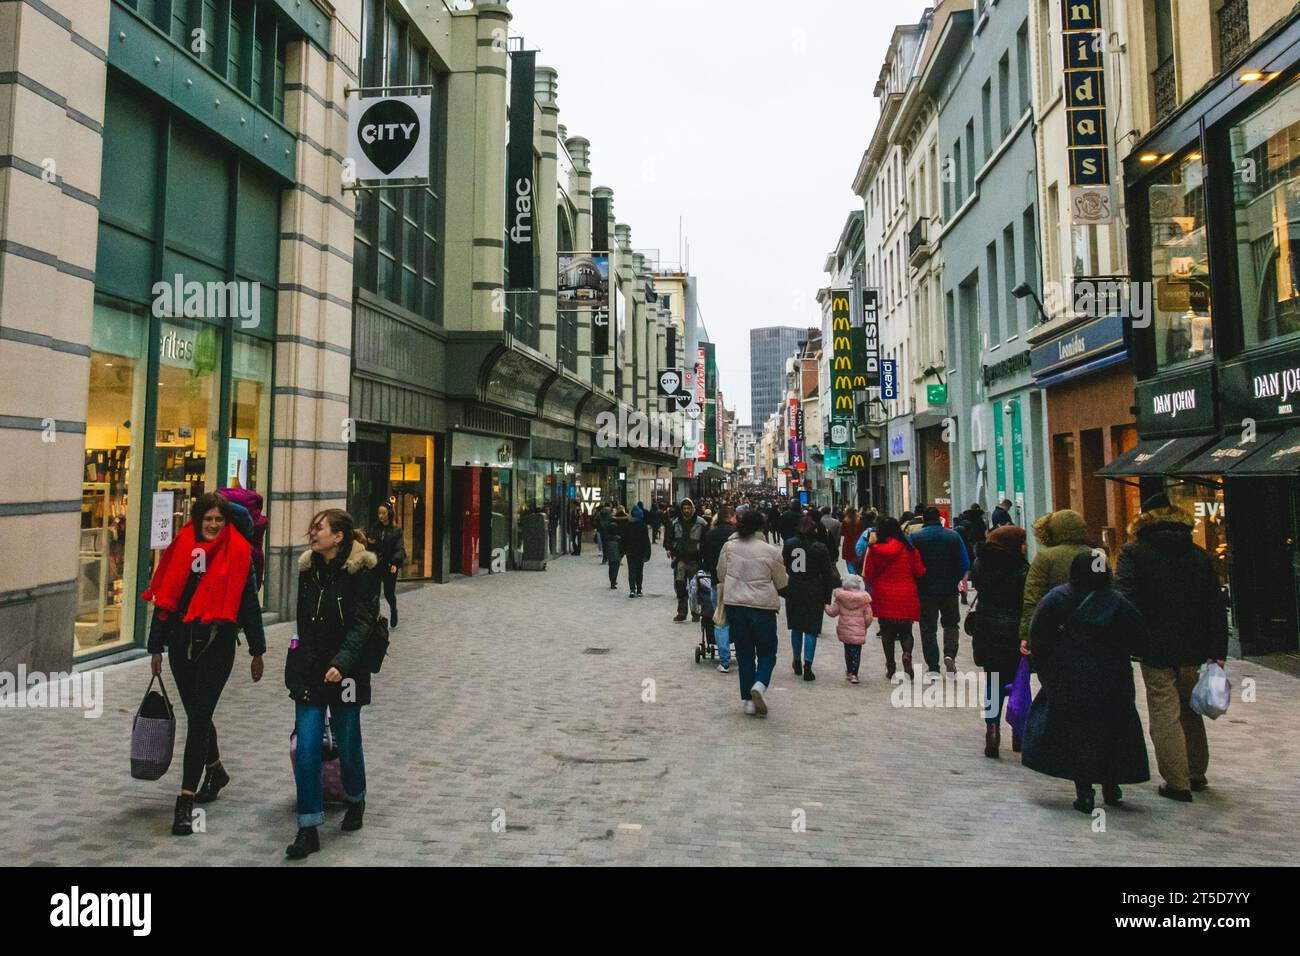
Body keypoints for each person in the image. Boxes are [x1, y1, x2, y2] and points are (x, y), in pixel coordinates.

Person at [144, 491, 266, 837]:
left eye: (219, 520)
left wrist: (258, 651)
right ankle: (215, 769)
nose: (212, 525)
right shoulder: (182, 548)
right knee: (199, 713)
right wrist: (156, 647)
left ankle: (184, 802)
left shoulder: (238, 554)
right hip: (181, 644)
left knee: (198, 719)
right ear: (197, 520)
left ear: (227, 523)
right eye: (207, 519)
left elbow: (248, 605)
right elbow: (165, 599)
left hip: (218, 644)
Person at [1114, 493, 1229, 802]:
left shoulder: (1134, 553)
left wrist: (1132, 638)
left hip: (1155, 646)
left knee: (1165, 710)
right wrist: (1218, 649)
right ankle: (1195, 771)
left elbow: (1125, 597)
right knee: (1191, 709)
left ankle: (1177, 782)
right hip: (1194, 646)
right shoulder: (1198, 554)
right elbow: (1215, 605)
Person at [285, 509, 381, 860]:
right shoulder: (308, 568)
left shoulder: (362, 572)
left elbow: (362, 624)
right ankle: (308, 827)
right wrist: (300, 664)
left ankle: (355, 797)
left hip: (347, 671)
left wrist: (342, 664)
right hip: (311, 669)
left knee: (346, 739)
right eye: (312, 527)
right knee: (308, 745)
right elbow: (303, 621)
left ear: (338, 536)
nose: (312, 533)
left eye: (319, 528)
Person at [1023, 552, 1150, 814]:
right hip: (1112, 677)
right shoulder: (1117, 602)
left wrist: (1046, 670)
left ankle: (1085, 791)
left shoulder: (1058, 598)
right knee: (1113, 729)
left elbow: (1039, 636)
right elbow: (1139, 636)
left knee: (1077, 733)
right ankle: (1111, 783)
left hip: (1070, 676)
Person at [715, 509, 789, 717]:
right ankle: (760, 684)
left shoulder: (729, 547)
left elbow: (721, 573)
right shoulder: (771, 551)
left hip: (736, 605)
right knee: (767, 652)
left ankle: (748, 701)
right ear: (761, 527)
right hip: (763, 607)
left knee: (745, 653)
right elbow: (781, 582)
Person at [968, 525, 1029, 757]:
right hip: (1013, 629)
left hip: (987, 628)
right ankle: (1017, 731)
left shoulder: (981, 563)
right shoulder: (1021, 567)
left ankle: (992, 730)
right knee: (1016, 681)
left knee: (993, 682)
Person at [862, 516, 927, 679]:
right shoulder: (910, 549)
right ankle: (906, 654)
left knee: (887, 632)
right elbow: (920, 571)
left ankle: (890, 665)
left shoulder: (875, 550)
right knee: (906, 631)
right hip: (906, 593)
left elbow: (868, 574)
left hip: (884, 594)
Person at [1019, 509, 1092, 653]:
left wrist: (1027, 634)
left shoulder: (1046, 557)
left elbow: (1032, 597)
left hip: (1056, 626)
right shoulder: (1097, 555)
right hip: (1092, 624)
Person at [909, 507, 970, 676]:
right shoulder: (953, 536)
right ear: (939, 518)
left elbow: (909, 562)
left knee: (928, 628)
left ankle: (933, 666)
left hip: (925, 589)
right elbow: (965, 563)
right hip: (949, 589)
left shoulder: (915, 537)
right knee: (951, 624)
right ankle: (950, 654)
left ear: (924, 520)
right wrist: (955, 578)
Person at [781, 515, 839, 681]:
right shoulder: (820, 548)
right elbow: (827, 574)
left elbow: (784, 565)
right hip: (814, 589)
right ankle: (808, 664)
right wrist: (827, 597)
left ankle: (796, 660)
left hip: (794, 587)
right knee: (811, 628)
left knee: (796, 627)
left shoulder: (790, 544)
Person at [701, 505, 738, 672]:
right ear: (730, 517)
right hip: (738, 582)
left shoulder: (710, 534)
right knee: (739, 619)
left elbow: (705, 556)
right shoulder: (738, 535)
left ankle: (724, 661)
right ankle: (744, 655)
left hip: (718, 583)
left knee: (721, 620)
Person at [825, 574, 873, 684]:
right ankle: (855, 674)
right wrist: (865, 626)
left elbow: (832, 612)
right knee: (856, 652)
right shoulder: (864, 599)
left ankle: (849, 671)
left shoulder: (841, 598)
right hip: (858, 631)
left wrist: (825, 606)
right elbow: (869, 617)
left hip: (845, 631)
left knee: (848, 651)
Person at [666, 498, 708, 622]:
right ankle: (682, 612)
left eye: (688, 508)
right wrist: (670, 548)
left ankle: (695, 612)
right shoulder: (675, 522)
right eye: (684, 508)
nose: (686, 510)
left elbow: (706, 540)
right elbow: (669, 537)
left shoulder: (701, 523)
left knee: (695, 589)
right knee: (680, 587)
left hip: (695, 561)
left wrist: (702, 552)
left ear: (692, 509)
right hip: (680, 561)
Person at [367, 502, 405, 630]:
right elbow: (370, 543)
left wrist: (395, 563)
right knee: (375, 593)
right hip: (377, 564)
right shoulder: (375, 528)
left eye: (383, 513)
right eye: (379, 513)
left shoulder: (396, 530)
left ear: (389, 513)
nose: (381, 516)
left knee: (389, 593)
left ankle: (393, 609)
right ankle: (375, 618)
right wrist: (370, 542)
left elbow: (399, 548)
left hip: (389, 565)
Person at [623, 505, 652, 597]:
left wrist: (623, 550)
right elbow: (646, 541)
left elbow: (624, 539)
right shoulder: (643, 526)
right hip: (640, 552)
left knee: (631, 570)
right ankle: (639, 590)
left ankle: (632, 590)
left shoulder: (627, 526)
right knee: (639, 571)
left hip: (630, 552)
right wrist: (648, 552)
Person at [604, 506, 629, 589]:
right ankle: (613, 580)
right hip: (620, 539)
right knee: (616, 562)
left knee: (611, 565)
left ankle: (612, 580)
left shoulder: (613, 518)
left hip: (613, 538)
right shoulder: (626, 518)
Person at [839, 508, 862, 576]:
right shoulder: (859, 521)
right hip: (857, 541)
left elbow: (842, 533)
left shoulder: (845, 521)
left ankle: (852, 574)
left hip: (848, 542)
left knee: (849, 560)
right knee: (856, 558)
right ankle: (857, 573)